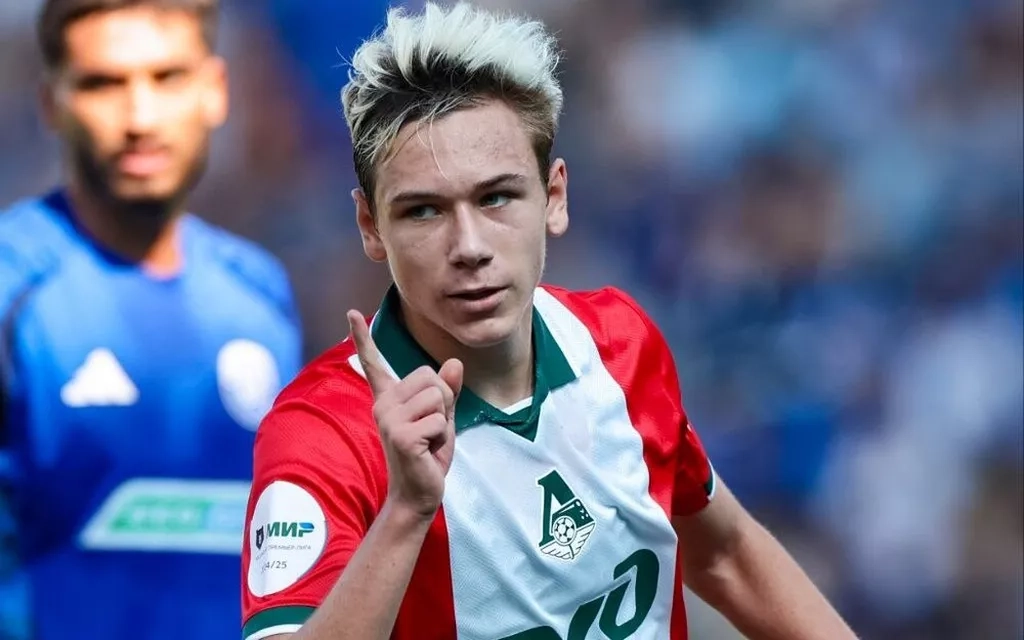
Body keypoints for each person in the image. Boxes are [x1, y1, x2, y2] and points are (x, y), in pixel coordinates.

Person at [241, 3, 856, 639]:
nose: (469, 246)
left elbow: (726, 555)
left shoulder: (620, 344)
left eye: (496, 197)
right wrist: (405, 513)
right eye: (423, 211)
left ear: (554, 196)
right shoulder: (320, 434)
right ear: (371, 226)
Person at [0, 1, 302, 638]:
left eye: (168, 77)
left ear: (215, 89)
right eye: (103, 83)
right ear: (51, 103)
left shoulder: (261, 296)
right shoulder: (14, 288)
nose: (140, 118)